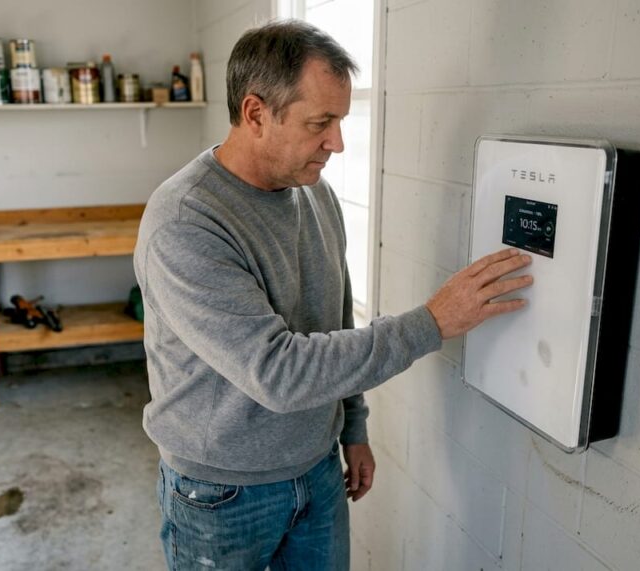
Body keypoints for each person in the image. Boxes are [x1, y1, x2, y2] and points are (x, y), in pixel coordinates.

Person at [133, 19, 532, 570]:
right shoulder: (186, 222)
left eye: (341, 121)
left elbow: (334, 320)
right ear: (256, 113)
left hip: (317, 469)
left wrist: (353, 428)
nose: (337, 144)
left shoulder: (314, 194)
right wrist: (433, 322)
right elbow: (278, 372)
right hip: (222, 493)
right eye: (320, 123)